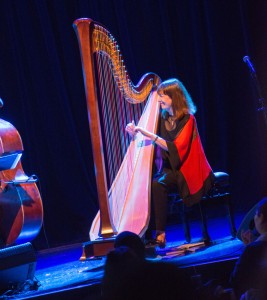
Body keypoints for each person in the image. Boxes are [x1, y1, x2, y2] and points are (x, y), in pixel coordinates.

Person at [126, 78, 214, 248]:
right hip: (169, 168)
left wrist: (150, 135)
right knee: (151, 184)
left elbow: (177, 148)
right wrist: (134, 132)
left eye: (162, 96)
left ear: (174, 97)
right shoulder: (160, 118)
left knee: (158, 185)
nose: (159, 100)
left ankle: (160, 234)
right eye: (158, 96)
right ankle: (153, 234)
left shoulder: (188, 119)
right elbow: (149, 141)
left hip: (187, 168)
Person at [229, 197, 267, 300]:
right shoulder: (253, 248)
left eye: (255, 215)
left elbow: (236, 281)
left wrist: (248, 249)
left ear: (261, 217)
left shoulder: (253, 250)